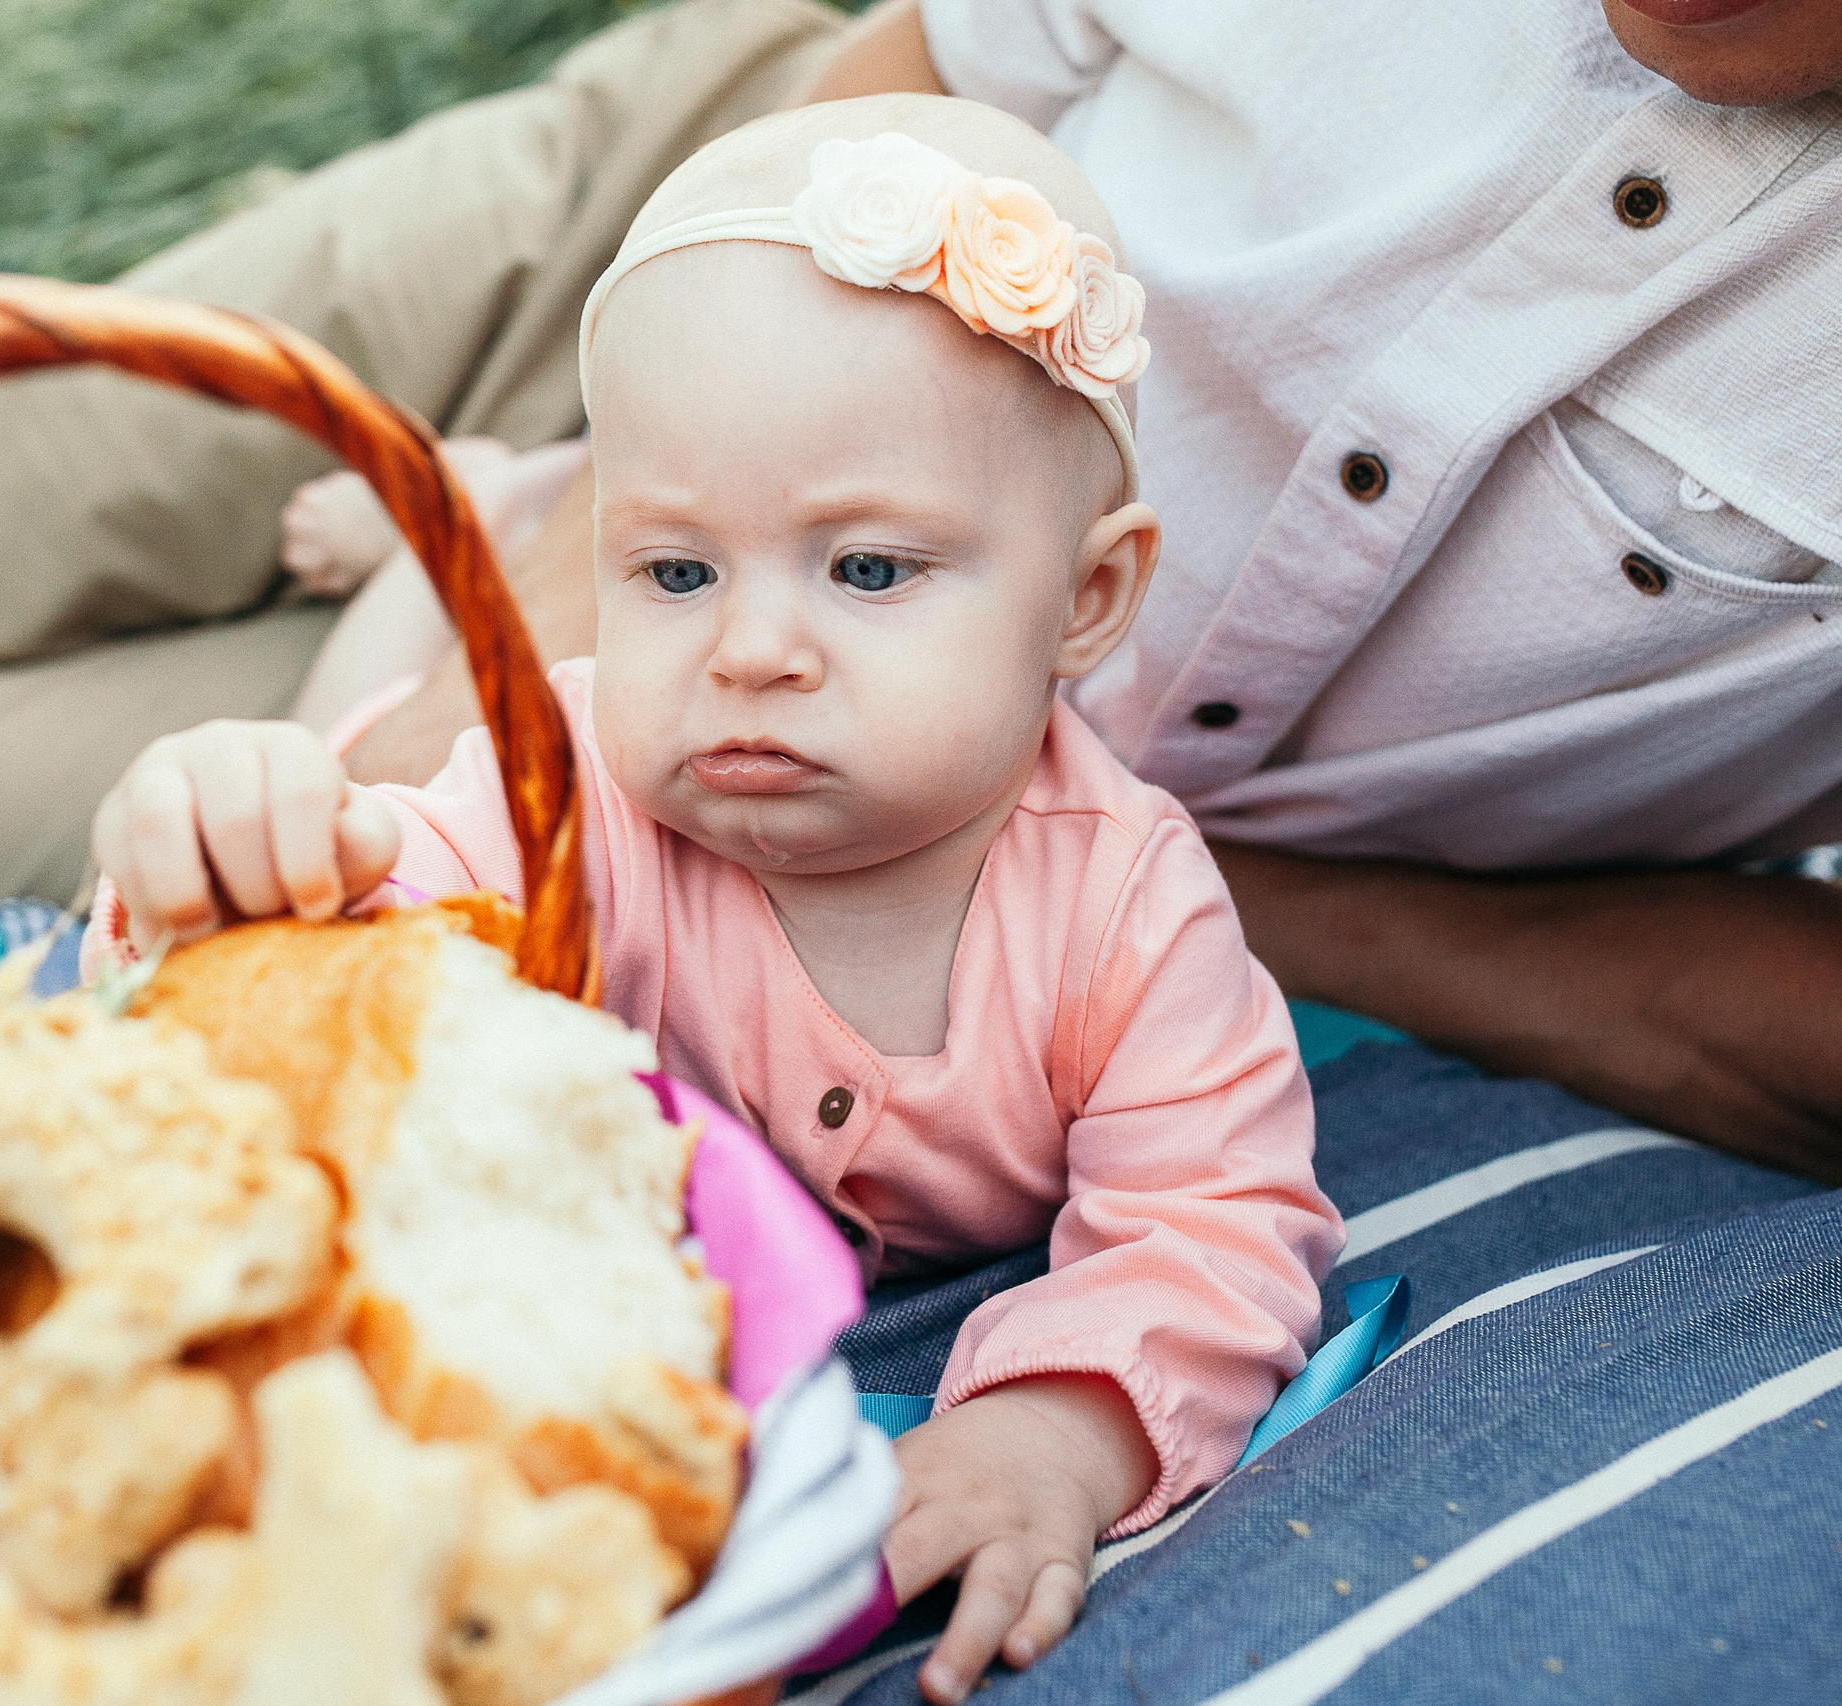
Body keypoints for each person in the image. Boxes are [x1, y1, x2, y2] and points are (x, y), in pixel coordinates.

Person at [0, 0, 1835, 1163]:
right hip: (667, 241)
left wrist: (1150, 875)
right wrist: (559, 484)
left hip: (714, 806)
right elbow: (935, 65)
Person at [83, 101, 1348, 1706]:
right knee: (378, 685)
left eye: (869, 570)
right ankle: (457, 529)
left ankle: (493, 506)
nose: (751, 650)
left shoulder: (1127, 907)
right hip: (412, 703)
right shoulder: (571, 796)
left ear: (1085, 597)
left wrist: (1062, 1422)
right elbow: (340, 947)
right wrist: (232, 839)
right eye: (674, 572)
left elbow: (1218, 1218)